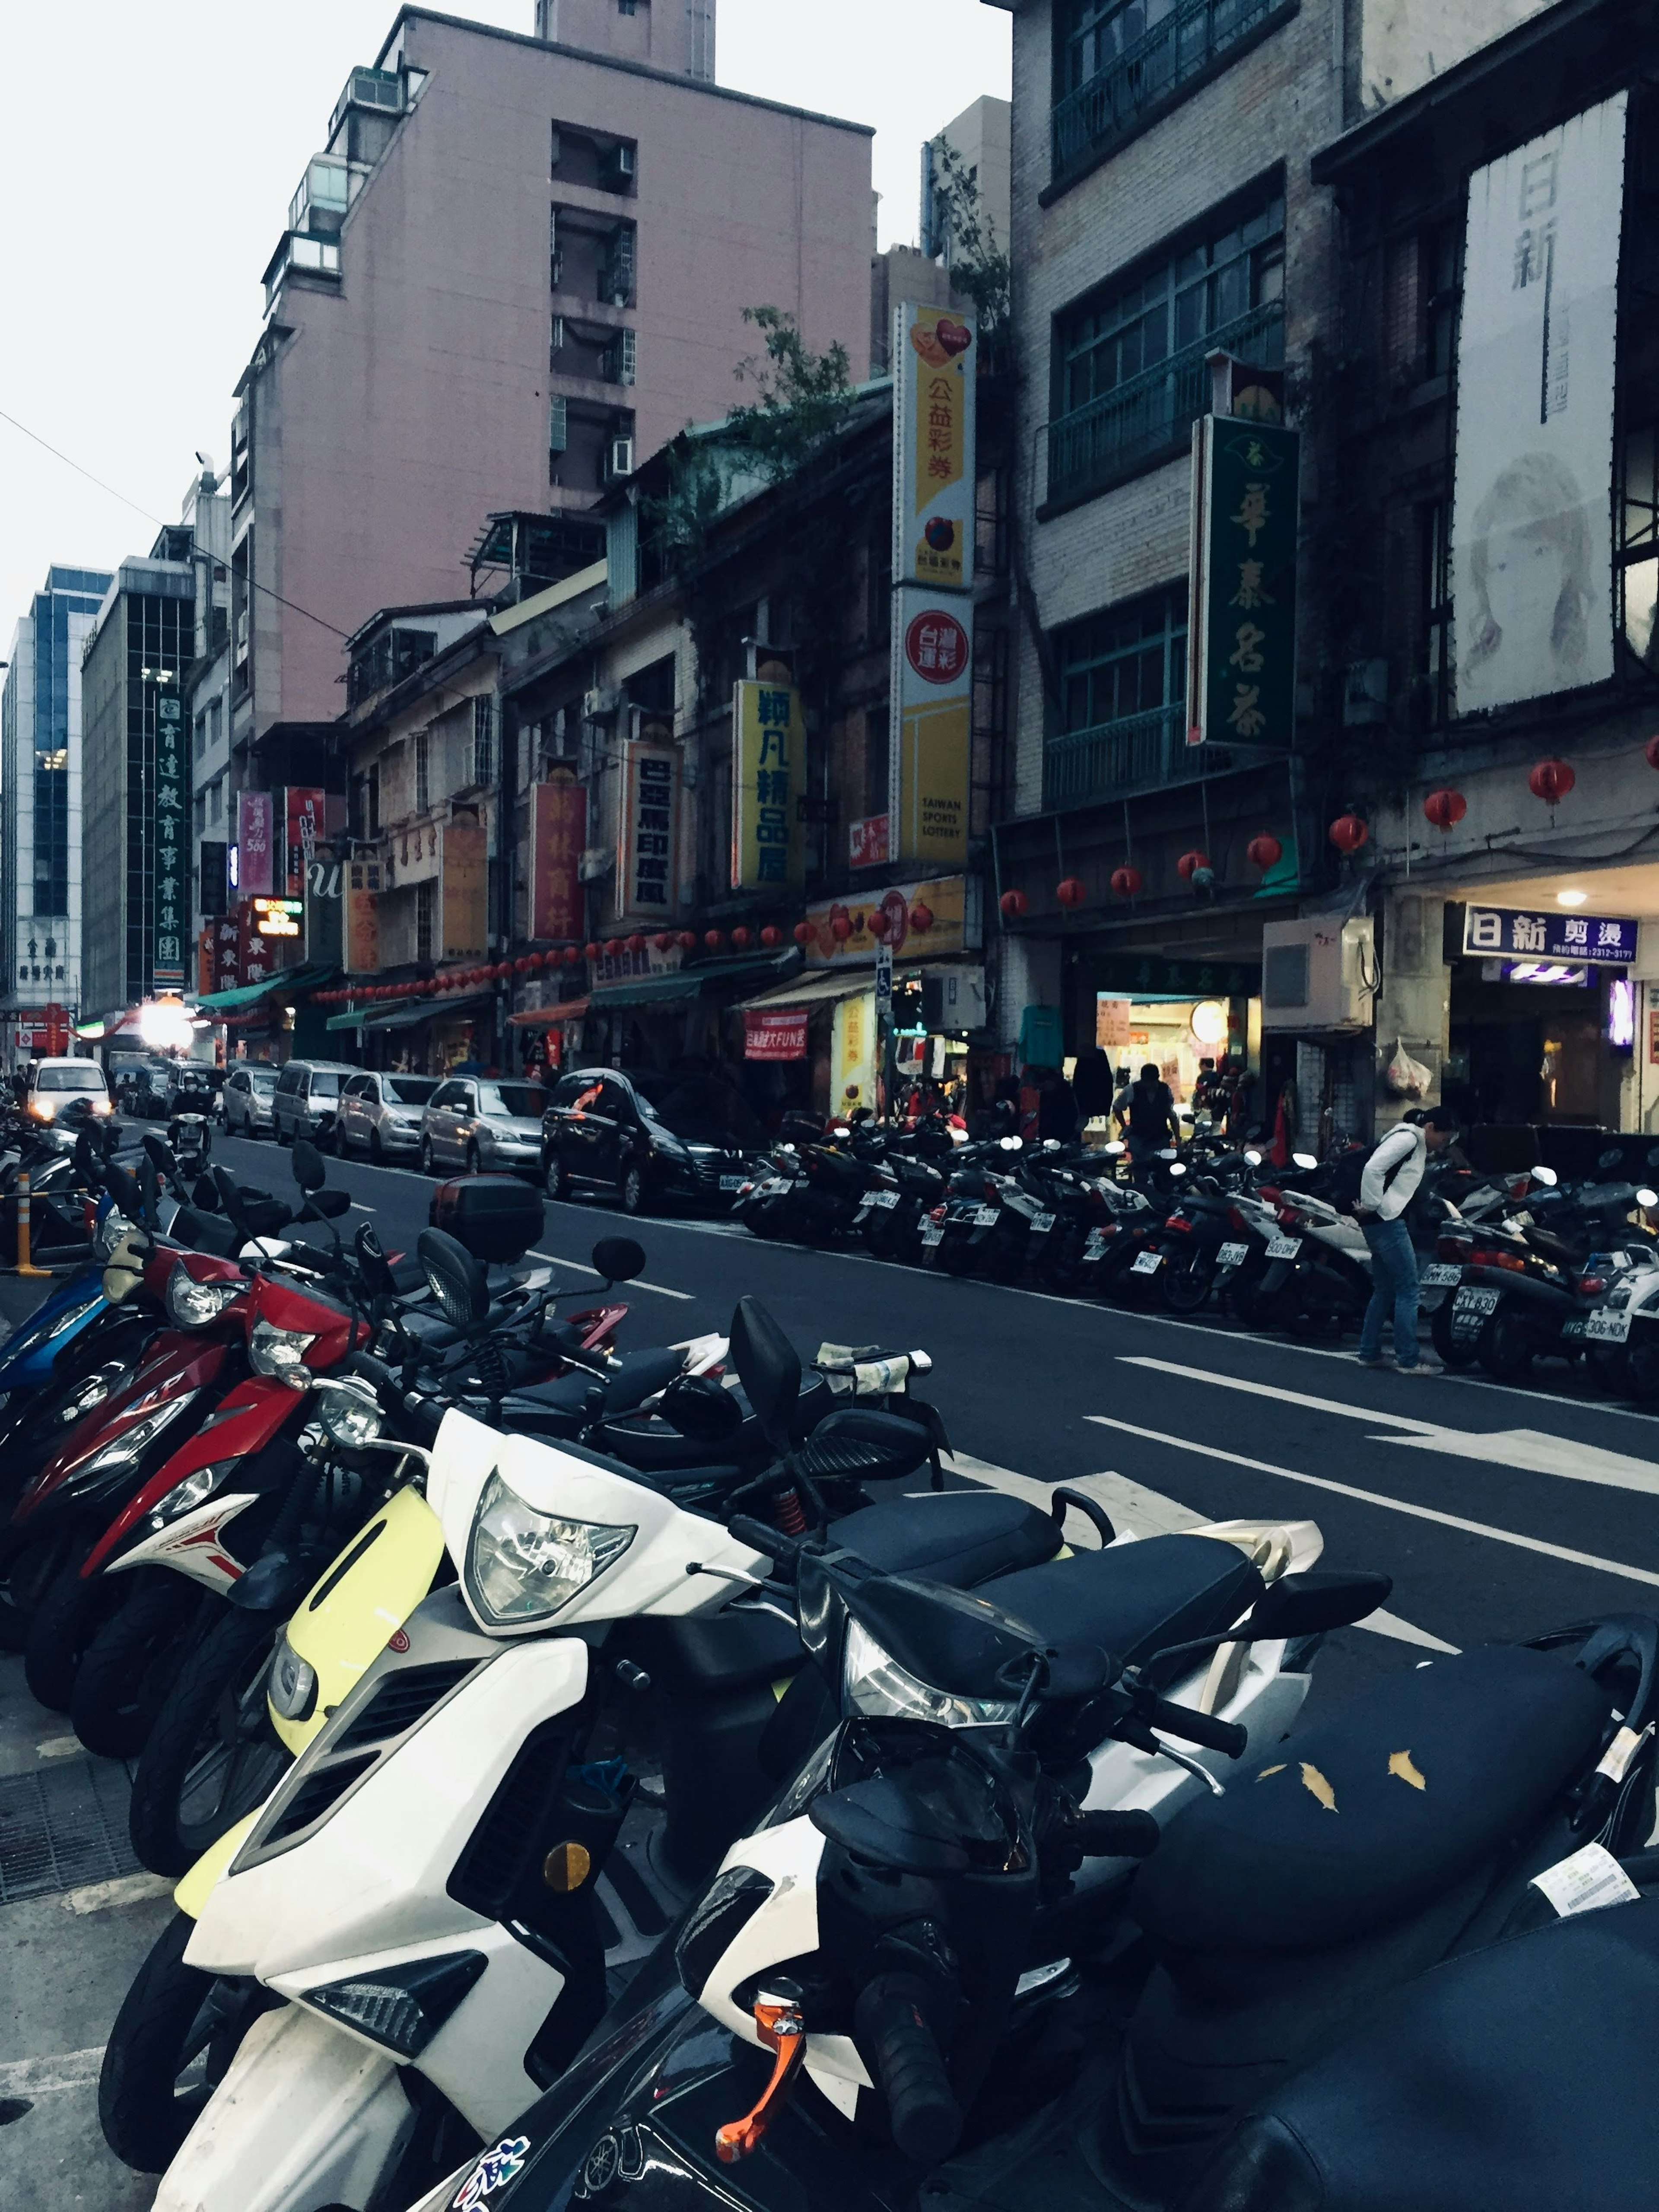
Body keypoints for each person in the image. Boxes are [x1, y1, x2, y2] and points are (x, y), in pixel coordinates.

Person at [1352, 1105, 1460, 1374]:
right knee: (1409, 1289)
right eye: (1443, 1139)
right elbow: (1373, 1169)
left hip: (1380, 1221)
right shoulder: (1409, 1139)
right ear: (1431, 1128)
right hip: (1387, 1221)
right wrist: (1372, 1203)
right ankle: (1409, 1360)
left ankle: (1369, 1353)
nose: (1443, 1145)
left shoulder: (1411, 1140)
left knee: (1386, 1289)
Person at [1119, 1061, 1179, 1176]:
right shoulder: (1131, 1090)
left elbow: (1171, 1115)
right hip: (1138, 1138)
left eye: (1154, 1081)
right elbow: (1118, 1108)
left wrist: (1178, 1138)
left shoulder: (1165, 1090)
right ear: (1143, 1080)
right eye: (1148, 1082)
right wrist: (1125, 1127)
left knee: (1162, 1170)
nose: (1151, 1085)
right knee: (1140, 1169)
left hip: (1160, 1137)